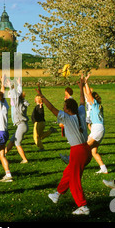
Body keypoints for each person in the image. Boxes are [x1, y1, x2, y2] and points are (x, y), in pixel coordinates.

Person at [39, 77, 92, 216]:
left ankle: (83, 206)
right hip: (86, 150)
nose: (62, 109)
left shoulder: (66, 118)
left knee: (74, 180)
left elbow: (51, 109)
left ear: (67, 109)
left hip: (78, 151)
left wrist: (42, 96)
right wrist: (81, 86)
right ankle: (57, 193)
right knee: (68, 173)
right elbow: (82, 100)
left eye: (64, 107)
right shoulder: (81, 112)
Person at [84, 74, 108, 174]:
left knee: (84, 146)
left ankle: (71, 160)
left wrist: (86, 82)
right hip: (97, 128)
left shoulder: (94, 104)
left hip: (98, 128)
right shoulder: (95, 105)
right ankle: (103, 169)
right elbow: (87, 94)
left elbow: (88, 93)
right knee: (93, 151)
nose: (88, 98)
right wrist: (82, 85)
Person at [5, 77, 30, 164]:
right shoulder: (21, 102)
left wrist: (10, 86)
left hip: (21, 125)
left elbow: (15, 95)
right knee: (12, 140)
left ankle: (25, 159)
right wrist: (19, 84)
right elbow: (17, 95)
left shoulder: (17, 104)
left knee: (17, 143)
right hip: (23, 125)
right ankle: (3, 153)